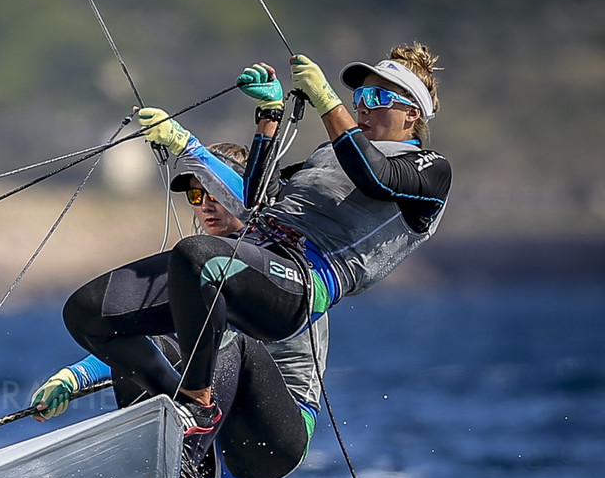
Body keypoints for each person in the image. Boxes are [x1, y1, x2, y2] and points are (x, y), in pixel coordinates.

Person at [54, 43, 449, 445]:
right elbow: (258, 200)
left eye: (378, 98)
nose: (363, 106)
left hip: (301, 282)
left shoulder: (429, 170)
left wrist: (327, 101)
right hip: (257, 256)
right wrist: (268, 118)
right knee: (86, 313)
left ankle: (196, 402)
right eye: (360, 97)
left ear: (411, 114)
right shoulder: (328, 154)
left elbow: (374, 175)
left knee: (195, 255)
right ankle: (172, 417)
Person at [33, 141, 328, 478]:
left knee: (226, 336)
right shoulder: (200, 271)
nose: (205, 205)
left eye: (215, 193)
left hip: (273, 443)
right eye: (195, 195)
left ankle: (180, 460)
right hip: (216, 441)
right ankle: (152, 461)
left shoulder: (278, 262)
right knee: (143, 339)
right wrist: (73, 377)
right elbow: (155, 338)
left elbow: (255, 201)